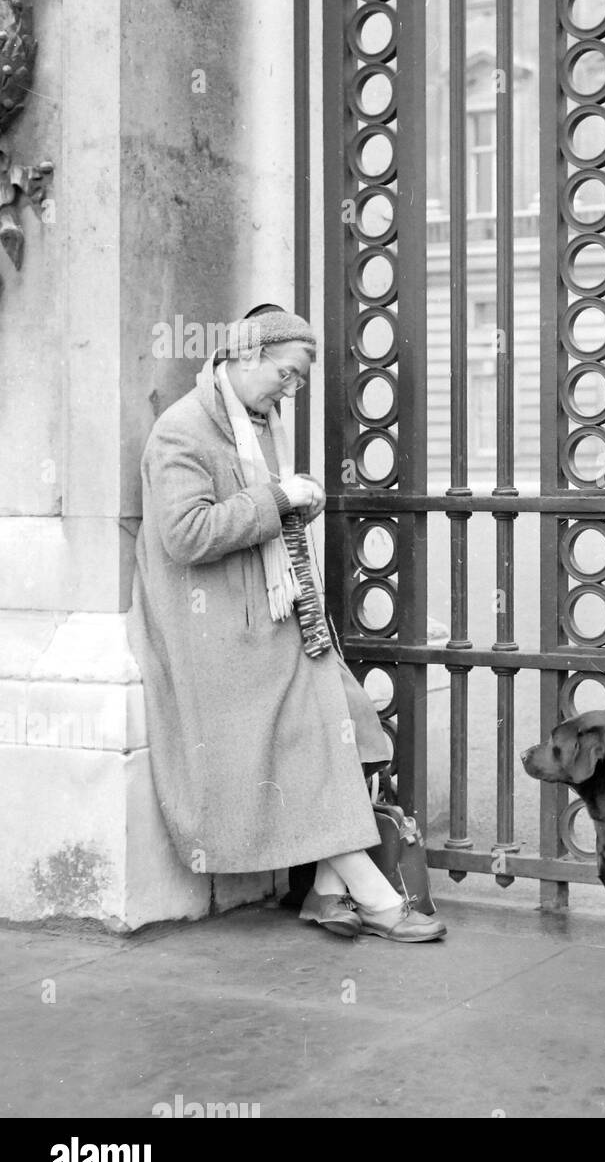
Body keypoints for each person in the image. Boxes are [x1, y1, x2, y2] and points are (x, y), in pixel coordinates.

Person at [127, 304, 446, 942]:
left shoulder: (255, 421)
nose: (291, 391)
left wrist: (291, 501)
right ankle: (375, 896)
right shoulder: (181, 432)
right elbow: (186, 536)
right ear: (246, 356)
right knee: (314, 740)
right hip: (214, 635)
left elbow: (258, 523)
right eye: (287, 374)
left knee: (353, 724)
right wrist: (278, 499)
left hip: (272, 618)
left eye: (298, 381)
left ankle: (326, 892)